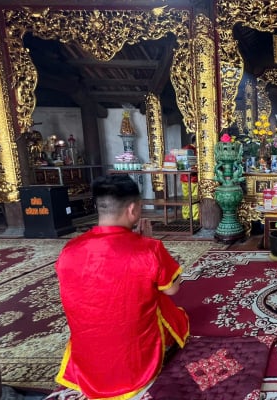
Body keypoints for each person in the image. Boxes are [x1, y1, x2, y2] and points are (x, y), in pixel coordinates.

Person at [54, 175, 189, 399]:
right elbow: (172, 289)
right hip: (133, 367)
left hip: (88, 363)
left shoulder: (70, 249)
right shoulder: (149, 249)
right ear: (133, 209)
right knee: (163, 300)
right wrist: (148, 244)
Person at [181, 134, 199, 221]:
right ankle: (195, 217)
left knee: (186, 197)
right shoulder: (194, 150)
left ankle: (186, 215)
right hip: (193, 178)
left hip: (184, 178)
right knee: (195, 197)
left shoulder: (184, 148)